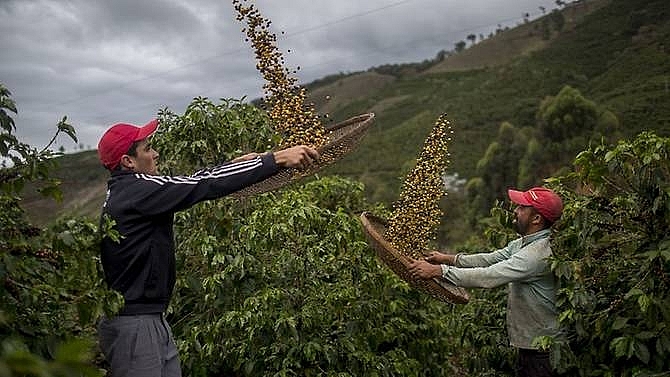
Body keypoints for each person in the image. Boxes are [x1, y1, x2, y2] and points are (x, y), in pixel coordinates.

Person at [95, 119, 319, 377]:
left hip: (148, 318)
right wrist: (274, 160)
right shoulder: (138, 191)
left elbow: (192, 180)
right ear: (128, 162)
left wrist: (238, 166)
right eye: (147, 149)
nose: (155, 153)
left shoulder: (128, 191)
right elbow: (202, 185)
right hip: (136, 325)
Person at [408, 187, 563, 377]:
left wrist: (439, 271)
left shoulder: (537, 255)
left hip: (542, 350)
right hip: (531, 344)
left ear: (536, 219)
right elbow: (489, 259)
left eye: (522, 207)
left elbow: (489, 276)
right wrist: (447, 259)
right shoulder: (523, 243)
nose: (515, 210)